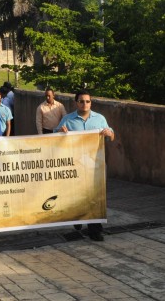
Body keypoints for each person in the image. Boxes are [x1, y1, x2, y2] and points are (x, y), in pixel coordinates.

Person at [55, 90, 115, 241]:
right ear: (76, 103)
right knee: (77, 195)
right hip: (76, 166)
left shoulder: (99, 119)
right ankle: (78, 219)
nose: (85, 104)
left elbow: (112, 135)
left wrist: (109, 134)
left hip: (95, 165)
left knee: (96, 197)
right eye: (81, 101)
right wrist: (61, 132)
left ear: (91, 102)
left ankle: (95, 230)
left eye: (87, 101)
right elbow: (54, 137)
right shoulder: (68, 120)